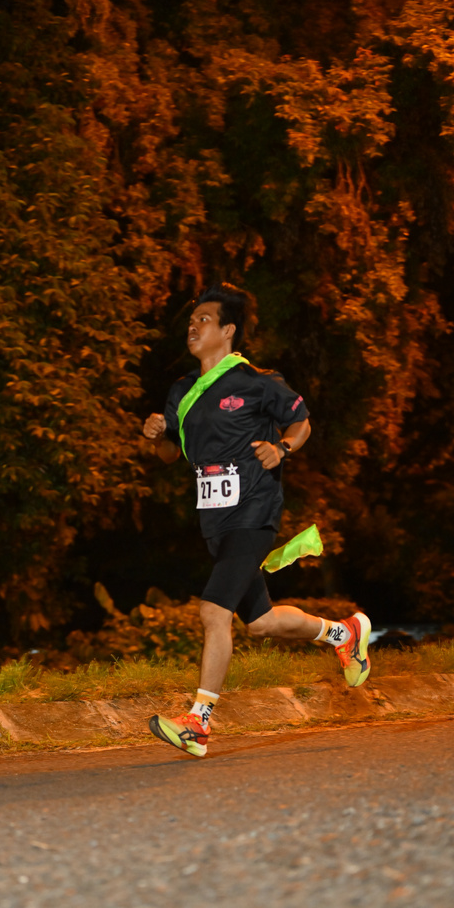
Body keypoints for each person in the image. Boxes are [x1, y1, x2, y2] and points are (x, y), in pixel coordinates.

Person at [142, 283, 371, 758]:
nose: (192, 326)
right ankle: (343, 633)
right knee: (261, 623)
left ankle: (198, 723)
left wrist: (282, 447)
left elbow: (301, 421)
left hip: (254, 511)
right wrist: (157, 435)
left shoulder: (256, 381)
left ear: (227, 330)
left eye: (203, 319)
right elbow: (169, 455)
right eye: (191, 320)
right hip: (215, 521)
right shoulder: (182, 391)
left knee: (213, 611)